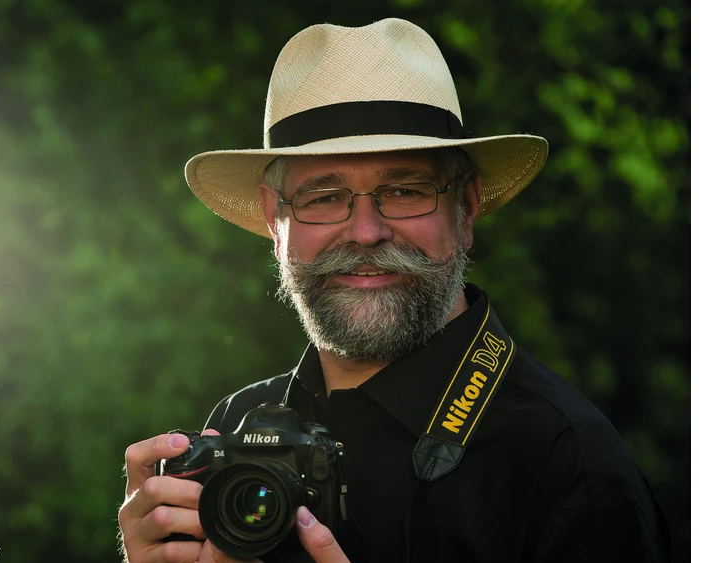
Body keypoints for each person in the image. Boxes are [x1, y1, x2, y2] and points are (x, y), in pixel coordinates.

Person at [118, 17, 673, 563]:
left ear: (467, 206)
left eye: (405, 190)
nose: (365, 232)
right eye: (323, 197)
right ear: (274, 218)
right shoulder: (238, 427)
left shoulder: (566, 462)